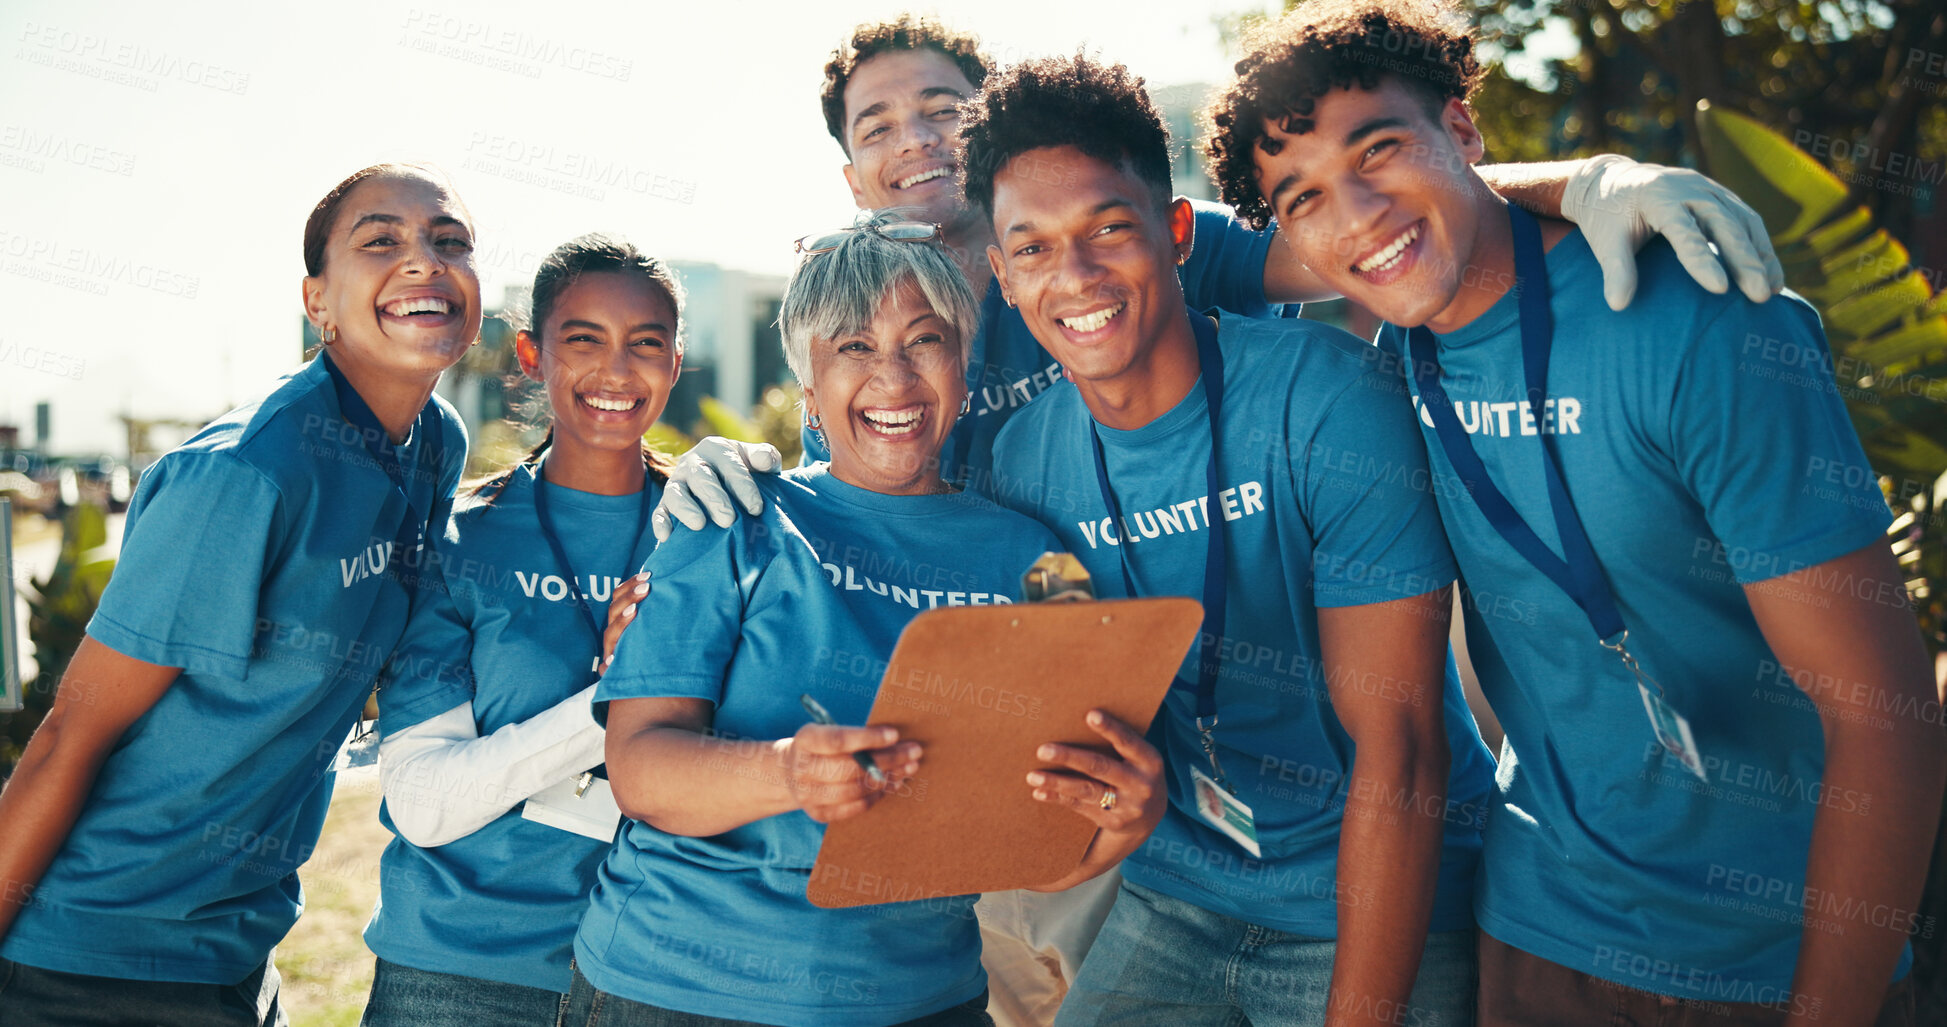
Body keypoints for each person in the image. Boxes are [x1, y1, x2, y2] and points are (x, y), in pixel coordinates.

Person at [649, 20, 1789, 1025]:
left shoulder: (1299, 376)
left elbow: (1377, 219)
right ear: (853, 176)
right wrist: (701, 486)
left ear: (1173, 233)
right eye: (879, 124)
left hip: (1365, 872)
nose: (917, 139)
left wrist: (1585, 179)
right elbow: (844, 523)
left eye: (944, 108)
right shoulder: (931, 383)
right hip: (1167, 871)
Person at [1203, 1, 1942, 1022]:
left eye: (1382, 149)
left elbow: (1887, 721)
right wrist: (1584, 176)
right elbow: (1170, 254)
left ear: (1464, 132)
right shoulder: (1396, 361)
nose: (1359, 212)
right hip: (1534, 935)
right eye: (1306, 199)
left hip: (1764, 962)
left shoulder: (1704, 325)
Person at [960, 53, 1496, 1027]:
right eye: (1031, 250)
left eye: (1107, 230)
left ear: (1173, 232)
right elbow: (1067, 684)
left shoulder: (1328, 403)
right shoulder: (1021, 467)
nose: (1073, 276)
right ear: (1000, 274)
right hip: (1179, 893)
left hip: (1376, 893)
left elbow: (1404, 745)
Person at [561, 211, 1167, 1027]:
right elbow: (638, 770)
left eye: (923, 340)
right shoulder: (732, 518)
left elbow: (1036, 844)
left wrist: (1123, 823)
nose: (894, 377)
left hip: (925, 1001)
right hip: (677, 990)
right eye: (853, 347)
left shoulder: (1043, 563)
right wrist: (785, 772)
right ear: (808, 384)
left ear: (961, 362)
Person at [0, 162, 479, 1026]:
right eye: (381, 242)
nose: (422, 261)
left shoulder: (434, 443)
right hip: (95, 956)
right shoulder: (241, 474)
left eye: (450, 243)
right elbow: (70, 732)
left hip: (237, 943)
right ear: (318, 303)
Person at [355, 235, 683, 1026]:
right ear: (532, 354)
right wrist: (613, 700)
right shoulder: (462, 537)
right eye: (583, 340)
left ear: (675, 363)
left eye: (646, 343)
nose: (617, 370)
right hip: (460, 976)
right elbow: (424, 803)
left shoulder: (711, 532)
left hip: (657, 975)